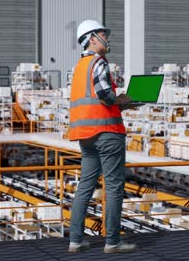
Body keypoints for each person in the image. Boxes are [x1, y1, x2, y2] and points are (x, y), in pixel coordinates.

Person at [67, 20, 136, 254]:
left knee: (85, 186)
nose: (108, 38)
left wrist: (122, 106)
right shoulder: (98, 62)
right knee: (114, 187)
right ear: (92, 38)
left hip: (86, 136)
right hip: (108, 134)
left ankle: (75, 240)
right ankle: (113, 242)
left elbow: (93, 101)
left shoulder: (79, 67)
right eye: (104, 34)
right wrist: (123, 100)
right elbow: (106, 95)